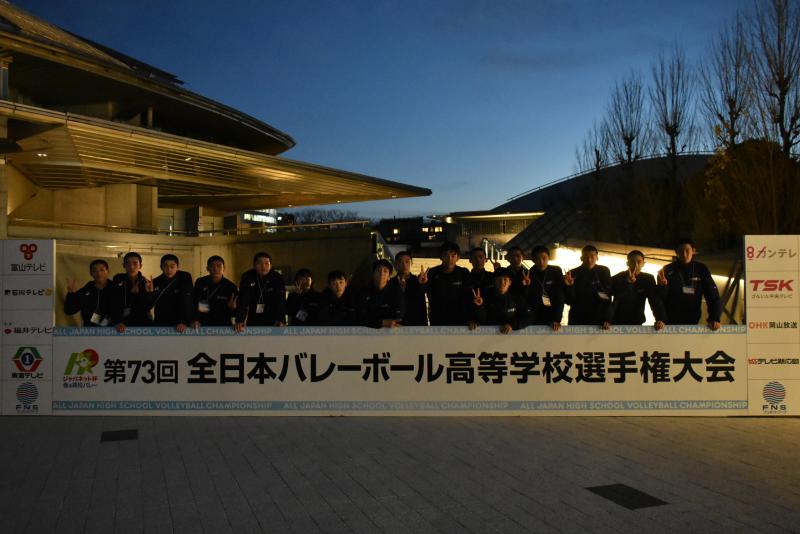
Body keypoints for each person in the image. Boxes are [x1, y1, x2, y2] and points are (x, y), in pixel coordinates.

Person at [657, 238, 721, 330]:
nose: (684, 254)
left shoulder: (701, 269)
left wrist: (714, 318)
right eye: (680, 251)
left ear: (693, 251)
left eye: (687, 250)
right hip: (669, 324)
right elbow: (659, 298)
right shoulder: (667, 270)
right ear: (676, 252)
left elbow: (712, 295)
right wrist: (662, 286)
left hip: (693, 323)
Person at [605, 250, 666, 330]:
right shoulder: (618, 278)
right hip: (615, 323)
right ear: (627, 263)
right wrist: (627, 282)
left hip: (637, 323)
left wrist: (660, 319)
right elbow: (609, 298)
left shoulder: (648, 279)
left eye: (639, 262)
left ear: (643, 264)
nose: (636, 265)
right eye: (632, 262)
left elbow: (655, 300)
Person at [418, 241, 471, 326]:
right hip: (438, 320)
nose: (449, 259)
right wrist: (422, 284)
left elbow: (468, 297)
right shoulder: (432, 273)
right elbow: (423, 294)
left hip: (460, 320)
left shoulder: (463, 273)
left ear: (458, 257)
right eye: (446, 255)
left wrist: (470, 318)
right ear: (440, 257)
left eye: (453, 255)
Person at [469, 267, 531, 334]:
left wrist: (512, 325)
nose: (502, 282)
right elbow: (481, 320)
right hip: (488, 336)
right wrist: (479, 307)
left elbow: (529, 317)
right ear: (494, 281)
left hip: (512, 337)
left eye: (505, 279)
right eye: (499, 279)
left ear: (510, 282)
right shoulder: (485, 297)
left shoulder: (517, 297)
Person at [236, 251, 286, 331]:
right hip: (253, 318)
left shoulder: (277, 277)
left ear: (271, 265)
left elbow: (281, 301)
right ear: (254, 265)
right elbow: (243, 300)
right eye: (259, 263)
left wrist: (281, 319)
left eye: (266, 263)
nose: (263, 266)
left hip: (273, 319)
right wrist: (240, 319)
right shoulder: (247, 277)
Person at [563, 245, 612, 327]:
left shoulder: (604, 271)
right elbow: (569, 301)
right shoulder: (573, 273)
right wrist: (569, 286)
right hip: (577, 317)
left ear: (597, 257)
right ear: (581, 258)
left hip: (598, 317)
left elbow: (607, 296)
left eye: (592, 256)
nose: (589, 260)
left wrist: (607, 318)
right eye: (586, 257)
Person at [111, 251, 154, 332]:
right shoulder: (118, 280)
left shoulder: (146, 283)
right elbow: (114, 303)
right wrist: (118, 321)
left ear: (140, 266)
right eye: (128, 263)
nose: (131, 267)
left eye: (135, 263)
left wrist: (149, 293)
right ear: (123, 265)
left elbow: (147, 307)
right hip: (121, 324)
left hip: (142, 325)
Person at [64, 259, 115, 326]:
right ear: (91, 273)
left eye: (102, 270)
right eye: (95, 271)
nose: (98, 273)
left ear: (107, 271)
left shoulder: (115, 288)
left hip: (112, 330)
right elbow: (69, 310)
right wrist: (71, 294)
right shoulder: (87, 289)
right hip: (89, 330)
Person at [190, 255, 238, 328]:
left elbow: (235, 314)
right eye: (212, 266)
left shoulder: (231, 287)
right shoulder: (200, 282)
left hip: (223, 325)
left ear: (224, 268)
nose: (215, 269)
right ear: (207, 268)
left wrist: (232, 308)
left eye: (219, 266)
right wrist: (195, 319)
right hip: (202, 325)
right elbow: (195, 302)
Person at [357, 259, 405, 328]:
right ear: (373, 274)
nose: (381, 274)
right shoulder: (363, 292)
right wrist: (381, 322)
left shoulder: (396, 292)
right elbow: (361, 317)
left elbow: (398, 316)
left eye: (385, 271)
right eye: (379, 270)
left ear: (389, 277)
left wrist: (374, 319)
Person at [151, 254, 194, 332]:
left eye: (172, 266)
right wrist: (148, 293)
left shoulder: (184, 277)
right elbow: (151, 303)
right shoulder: (155, 281)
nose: (169, 269)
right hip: (160, 322)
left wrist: (183, 321)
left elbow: (186, 300)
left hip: (180, 324)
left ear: (177, 267)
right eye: (165, 266)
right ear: (161, 267)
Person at [527, 245, 564, 331]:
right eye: (537, 258)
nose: (541, 261)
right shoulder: (529, 274)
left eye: (544, 258)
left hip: (552, 315)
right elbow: (527, 298)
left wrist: (556, 319)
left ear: (548, 258)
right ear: (533, 259)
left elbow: (559, 297)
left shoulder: (556, 271)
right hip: (534, 317)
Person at [389, 251, 427, 326]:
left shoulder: (418, 280)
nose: (404, 265)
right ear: (395, 264)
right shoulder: (390, 283)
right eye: (400, 262)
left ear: (411, 263)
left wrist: (421, 284)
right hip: (396, 324)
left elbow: (422, 301)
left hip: (416, 324)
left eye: (407, 262)